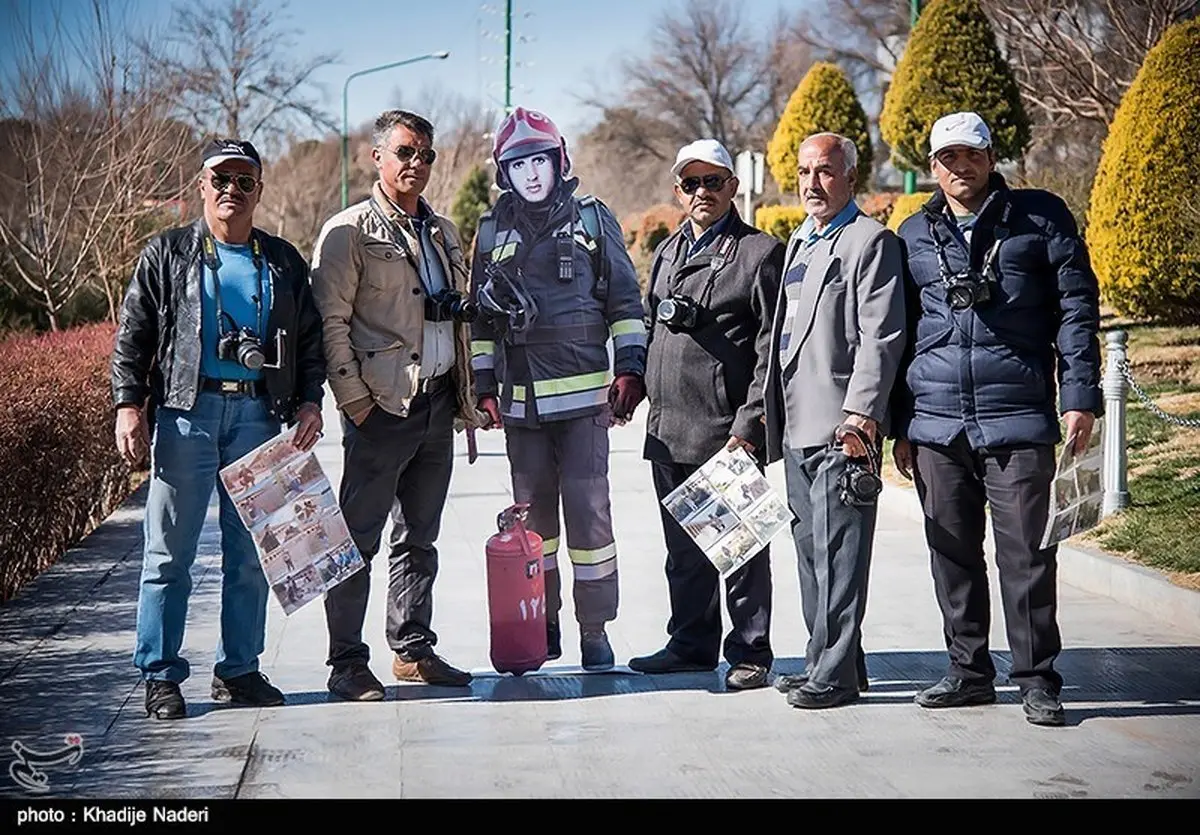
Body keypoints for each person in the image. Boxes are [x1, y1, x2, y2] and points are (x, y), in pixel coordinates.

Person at [891, 112, 1102, 727]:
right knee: (951, 552)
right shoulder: (911, 233)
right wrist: (901, 424)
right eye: (948, 158)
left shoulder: (1041, 217)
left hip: (1018, 416)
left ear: (990, 158)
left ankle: (1037, 677)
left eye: (972, 155)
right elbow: (899, 333)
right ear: (933, 166)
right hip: (936, 423)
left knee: (1028, 556)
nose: (961, 167)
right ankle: (968, 671)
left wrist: (1079, 393)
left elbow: (1076, 306)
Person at [111, 137, 326, 720]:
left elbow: (310, 341)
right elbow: (133, 336)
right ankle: (160, 673)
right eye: (220, 179)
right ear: (202, 187)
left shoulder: (282, 259)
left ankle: (239, 670)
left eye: (244, 180)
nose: (232, 190)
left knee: (253, 552)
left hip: (260, 414)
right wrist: (129, 404)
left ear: (259, 189)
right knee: (168, 554)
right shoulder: (168, 253)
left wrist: (309, 401)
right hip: (187, 413)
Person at [309, 110, 482, 701]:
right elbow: (329, 323)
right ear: (376, 157)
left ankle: (411, 649)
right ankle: (346, 663)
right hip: (381, 408)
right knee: (357, 539)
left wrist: (467, 394)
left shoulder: (443, 232)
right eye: (406, 152)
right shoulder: (350, 231)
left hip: (435, 405)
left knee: (419, 537)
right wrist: (354, 401)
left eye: (426, 155)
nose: (417, 164)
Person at [469, 107, 647, 671]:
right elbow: (478, 320)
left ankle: (594, 629)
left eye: (539, 161)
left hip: (585, 405)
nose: (531, 174)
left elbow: (624, 302)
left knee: (591, 519)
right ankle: (541, 624)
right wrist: (482, 384)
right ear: (505, 172)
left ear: (559, 161)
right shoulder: (492, 230)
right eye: (518, 165)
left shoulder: (593, 220)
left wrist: (631, 369)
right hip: (522, 406)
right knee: (534, 525)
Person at [627, 139, 783, 691]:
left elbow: (772, 350)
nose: (701, 193)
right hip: (668, 429)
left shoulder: (760, 253)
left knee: (739, 551)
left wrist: (749, 426)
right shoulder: (669, 251)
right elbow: (650, 325)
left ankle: (750, 652)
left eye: (713, 181)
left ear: (732, 187)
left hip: (725, 431)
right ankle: (691, 645)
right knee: (683, 555)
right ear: (677, 191)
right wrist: (634, 383)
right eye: (691, 183)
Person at [764, 132, 907, 709]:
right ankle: (830, 659)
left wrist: (861, 416)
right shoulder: (801, 241)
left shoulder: (869, 242)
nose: (812, 183)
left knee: (841, 556)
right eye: (803, 172)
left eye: (824, 172)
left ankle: (836, 677)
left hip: (840, 426)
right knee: (810, 552)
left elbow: (883, 336)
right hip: (796, 422)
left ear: (850, 176)